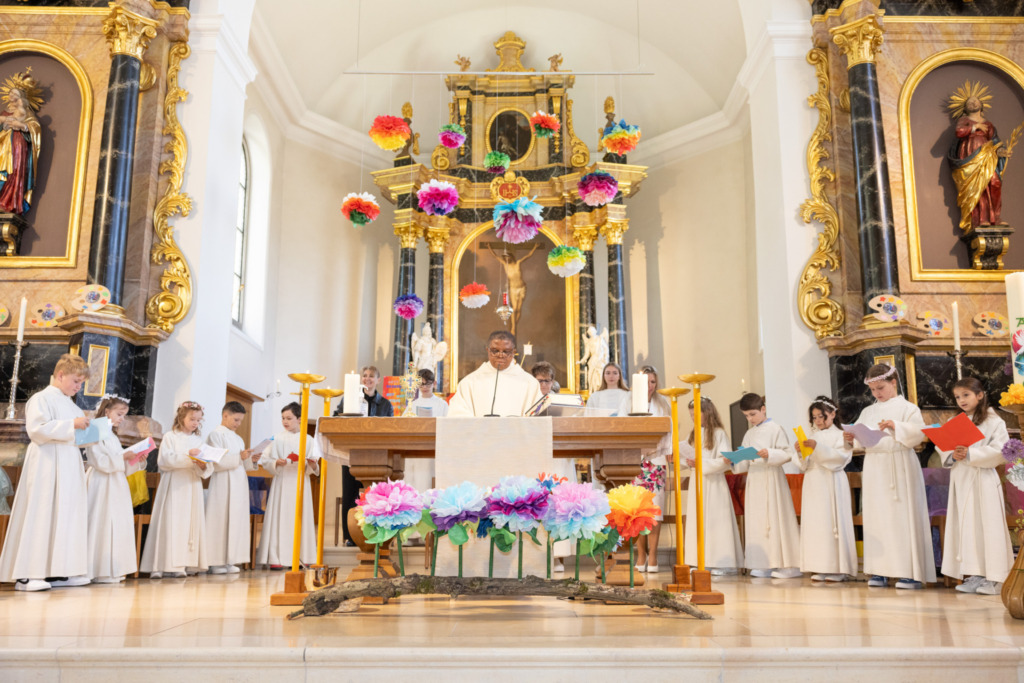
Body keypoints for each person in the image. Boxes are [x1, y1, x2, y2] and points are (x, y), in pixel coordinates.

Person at [0, 353, 90, 591]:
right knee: (42, 512)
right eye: (75, 381)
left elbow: (75, 436)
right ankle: (28, 574)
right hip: (47, 462)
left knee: (65, 515)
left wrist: (90, 433)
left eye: (81, 383)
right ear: (60, 375)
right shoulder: (41, 398)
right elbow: (37, 430)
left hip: (69, 463)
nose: (78, 387)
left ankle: (59, 571)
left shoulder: (71, 405)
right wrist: (73, 424)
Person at [844, 364, 934, 589]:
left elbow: (919, 434)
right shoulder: (868, 411)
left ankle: (909, 572)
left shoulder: (908, 408)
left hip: (899, 464)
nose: (877, 394)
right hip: (875, 466)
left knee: (902, 517)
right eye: (873, 390)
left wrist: (896, 426)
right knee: (877, 517)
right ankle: (880, 570)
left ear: (894, 382)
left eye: (881, 388)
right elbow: (860, 439)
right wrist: (850, 439)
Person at [937, 378, 1013, 595]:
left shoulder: (993, 421)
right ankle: (975, 574)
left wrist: (971, 453)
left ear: (980, 395)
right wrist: (953, 454)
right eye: (957, 397)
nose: (961, 400)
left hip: (983, 479)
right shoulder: (956, 421)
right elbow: (944, 448)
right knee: (967, 527)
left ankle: (995, 577)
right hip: (961, 478)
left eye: (966, 395)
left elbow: (1001, 450)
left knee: (987, 526)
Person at [140, 401, 213, 579]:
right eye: (192, 419)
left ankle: (181, 564)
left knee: (188, 524)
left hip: (191, 485)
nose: (195, 423)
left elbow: (207, 467)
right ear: (182, 418)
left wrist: (202, 465)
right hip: (173, 485)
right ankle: (161, 564)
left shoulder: (198, 441)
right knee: (170, 522)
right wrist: (189, 457)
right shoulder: (170, 437)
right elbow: (164, 460)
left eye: (198, 420)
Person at [733, 392, 801, 579]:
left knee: (776, 518)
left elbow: (787, 453)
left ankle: (787, 565)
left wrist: (768, 453)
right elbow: (742, 464)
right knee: (757, 520)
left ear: (763, 409)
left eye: (753, 414)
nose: (750, 419)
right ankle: (762, 563)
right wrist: (736, 458)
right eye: (746, 416)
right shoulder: (749, 433)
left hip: (772, 477)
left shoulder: (775, 428)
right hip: (755, 479)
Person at [794, 396, 857, 582]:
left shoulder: (842, 435)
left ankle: (838, 568)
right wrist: (800, 453)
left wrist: (818, 448)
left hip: (832, 480)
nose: (818, 421)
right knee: (816, 523)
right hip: (813, 481)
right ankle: (819, 566)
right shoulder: (811, 436)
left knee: (832, 522)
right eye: (814, 417)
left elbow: (841, 458)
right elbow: (803, 465)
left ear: (833, 414)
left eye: (822, 416)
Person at [616, 365, 670, 573]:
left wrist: (665, 448)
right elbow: (621, 426)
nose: (649, 386)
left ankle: (654, 555)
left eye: (653, 382)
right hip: (636, 461)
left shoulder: (662, 403)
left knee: (655, 511)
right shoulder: (627, 401)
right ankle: (641, 554)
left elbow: (669, 430)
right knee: (638, 512)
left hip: (656, 461)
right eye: (645, 381)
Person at [684, 397, 743, 575]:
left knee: (716, 521)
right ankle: (701, 560)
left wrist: (701, 464)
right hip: (697, 482)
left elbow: (725, 461)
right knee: (699, 520)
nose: (693, 418)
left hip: (714, 483)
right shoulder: (693, 433)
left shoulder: (718, 433)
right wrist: (682, 460)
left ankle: (723, 563)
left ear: (707, 412)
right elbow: (688, 456)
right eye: (691, 415)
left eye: (696, 414)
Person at [334, 366, 393, 545]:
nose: (367, 379)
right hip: (352, 454)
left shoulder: (385, 404)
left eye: (371, 376)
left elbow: (391, 428)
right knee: (350, 495)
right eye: (365, 376)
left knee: (376, 496)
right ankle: (350, 536)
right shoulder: (349, 399)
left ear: (378, 380)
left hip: (377, 457)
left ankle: (377, 534)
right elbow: (336, 418)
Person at [257, 402, 319, 568]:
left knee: (300, 517)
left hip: (300, 483)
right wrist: (276, 462)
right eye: (283, 418)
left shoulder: (308, 439)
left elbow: (314, 462)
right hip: (282, 480)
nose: (285, 421)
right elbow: (265, 459)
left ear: (299, 419)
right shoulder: (276, 438)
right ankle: (277, 558)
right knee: (280, 516)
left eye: (289, 418)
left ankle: (301, 556)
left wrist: (311, 463)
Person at [84, 394, 137, 584]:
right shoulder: (96, 430)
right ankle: (96, 568)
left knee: (116, 522)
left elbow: (119, 460)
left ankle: (113, 569)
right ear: (107, 411)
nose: (122, 419)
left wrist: (134, 458)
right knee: (101, 520)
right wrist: (123, 458)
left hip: (115, 483)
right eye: (119, 414)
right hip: (101, 482)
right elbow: (98, 460)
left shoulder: (112, 435)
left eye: (124, 415)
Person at [532, 361, 577, 572]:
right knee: (537, 505)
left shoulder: (562, 402)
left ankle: (559, 557)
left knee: (559, 507)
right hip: (536, 458)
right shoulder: (526, 401)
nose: (543, 385)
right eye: (538, 380)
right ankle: (536, 554)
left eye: (546, 381)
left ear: (552, 382)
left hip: (558, 458)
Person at [205, 401, 255, 574]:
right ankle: (216, 561)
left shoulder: (238, 438)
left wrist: (250, 459)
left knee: (236, 520)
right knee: (220, 519)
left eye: (240, 421)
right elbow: (215, 462)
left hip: (238, 482)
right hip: (223, 483)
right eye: (235, 420)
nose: (238, 424)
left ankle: (230, 559)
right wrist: (239, 457)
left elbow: (243, 464)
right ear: (225, 415)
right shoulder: (215, 435)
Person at [448, 331, 543, 417]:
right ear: (487, 350)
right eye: (495, 351)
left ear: (514, 352)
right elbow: (458, 416)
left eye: (506, 351)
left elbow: (538, 419)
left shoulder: (530, 383)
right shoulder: (469, 383)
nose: (500, 355)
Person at [402, 369, 447, 492]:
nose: (424, 387)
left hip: (433, 447)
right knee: (414, 481)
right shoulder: (413, 404)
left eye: (427, 384)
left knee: (428, 481)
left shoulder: (442, 404)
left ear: (434, 383)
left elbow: (446, 426)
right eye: (421, 384)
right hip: (415, 447)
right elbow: (403, 423)